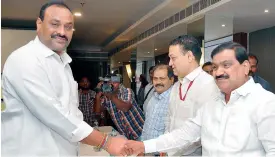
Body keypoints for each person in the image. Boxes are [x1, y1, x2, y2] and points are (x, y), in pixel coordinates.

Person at [1, 1, 127, 156]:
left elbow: (72, 112)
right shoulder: (25, 59)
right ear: (39, 24)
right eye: (55, 24)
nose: (62, 32)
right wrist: (106, 142)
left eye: (68, 27)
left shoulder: (64, 64)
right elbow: (55, 115)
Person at [125, 42, 275, 157]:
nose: (218, 72)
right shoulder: (213, 103)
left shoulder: (265, 102)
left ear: (246, 67)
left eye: (226, 65)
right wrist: (144, 146)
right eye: (215, 67)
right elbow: (184, 134)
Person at [163, 35, 220, 156]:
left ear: (189, 56)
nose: (170, 63)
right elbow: (169, 118)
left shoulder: (209, 85)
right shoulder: (176, 86)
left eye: (173, 58)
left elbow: (203, 131)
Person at [95, 75, 145, 140]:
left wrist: (111, 96)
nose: (111, 85)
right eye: (109, 82)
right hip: (126, 136)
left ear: (119, 83)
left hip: (141, 132)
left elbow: (125, 107)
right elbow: (97, 112)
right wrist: (98, 95)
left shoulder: (126, 91)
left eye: (114, 82)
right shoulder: (106, 98)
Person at [141, 64, 174, 156]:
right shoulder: (152, 98)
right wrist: (142, 147)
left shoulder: (175, 100)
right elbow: (146, 126)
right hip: (147, 152)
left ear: (171, 80)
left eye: (162, 78)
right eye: (155, 78)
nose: (158, 82)